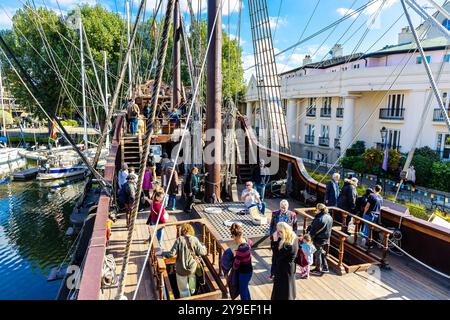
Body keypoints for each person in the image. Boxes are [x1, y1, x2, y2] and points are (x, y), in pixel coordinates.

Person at [163, 223, 207, 298]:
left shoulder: (179, 240)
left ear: (182, 231)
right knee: (192, 282)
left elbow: (171, 254)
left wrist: (163, 253)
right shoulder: (195, 239)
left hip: (181, 269)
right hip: (192, 268)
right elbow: (203, 252)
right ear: (191, 231)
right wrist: (204, 247)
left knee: (183, 290)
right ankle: (193, 295)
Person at [269, 200, 297, 279]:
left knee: (284, 256)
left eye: (285, 208)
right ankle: (273, 273)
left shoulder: (293, 215)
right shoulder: (275, 213)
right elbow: (272, 225)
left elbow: (295, 227)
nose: (283, 209)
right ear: (279, 206)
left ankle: (283, 274)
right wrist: (272, 235)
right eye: (282, 207)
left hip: (287, 238)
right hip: (277, 238)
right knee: (275, 256)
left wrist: (293, 237)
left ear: (288, 207)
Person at [271, 222, 298, 300]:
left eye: (280, 232)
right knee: (288, 286)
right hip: (287, 268)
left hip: (285, 269)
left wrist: (275, 241)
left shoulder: (289, 244)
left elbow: (277, 256)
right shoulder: (292, 237)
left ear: (286, 231)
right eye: (277, 231)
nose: (278, 233)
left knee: (284, 289)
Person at [308, 203, 333, 276]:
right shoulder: (329, 217)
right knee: (322, 252)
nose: (316, 210)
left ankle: (318, 269)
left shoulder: (319, 219)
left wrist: (309, 237)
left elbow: (313, 231)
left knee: (318, 253)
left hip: (319, 238)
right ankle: (325, 267)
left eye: (316, 209)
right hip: (326, 238)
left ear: (319, 209)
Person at [230, 223, 254, 301]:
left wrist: (236, 255)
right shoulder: (247, 241)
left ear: (235, 236)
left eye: (232, 237)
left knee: (243, 293)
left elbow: (235, 266)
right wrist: (239, 254)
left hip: (244, 273)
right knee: (245, 288)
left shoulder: (242, 248)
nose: (233, 239)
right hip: (249, 270)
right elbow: (251, 244)